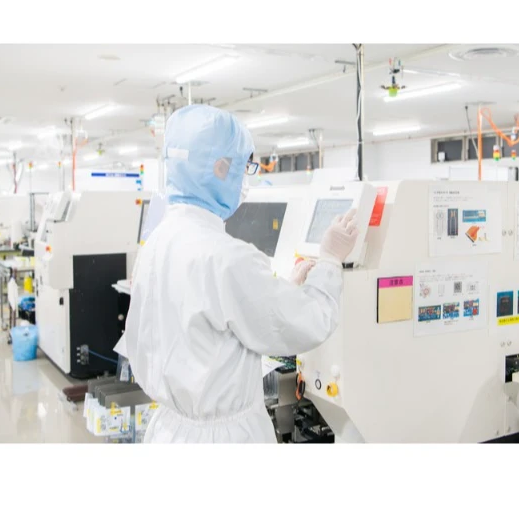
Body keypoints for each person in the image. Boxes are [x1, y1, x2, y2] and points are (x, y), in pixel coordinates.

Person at [121, 105, 359, 443]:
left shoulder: (157, 242)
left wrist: (280, 289)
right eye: (243, 167)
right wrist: (331, 260)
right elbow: (307, 322)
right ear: (220, 167)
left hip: (169, 432)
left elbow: (207, 317)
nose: (244, 180)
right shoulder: (226, 257)